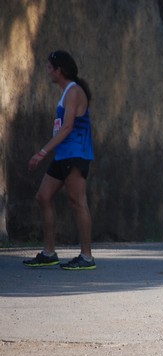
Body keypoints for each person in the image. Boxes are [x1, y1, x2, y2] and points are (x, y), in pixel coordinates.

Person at [23, 50, 96, 270]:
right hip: (63, 155)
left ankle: (86, 257)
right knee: (43, 197)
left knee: (78, 201)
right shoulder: (66, 92)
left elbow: (67, 128)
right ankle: (49, 252)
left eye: (49, 67)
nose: (47, 71)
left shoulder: (74, 91)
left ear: (59, 70)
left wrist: (42, 152)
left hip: (76, 154)